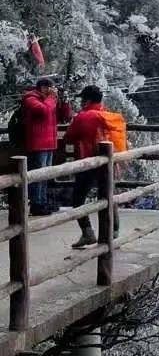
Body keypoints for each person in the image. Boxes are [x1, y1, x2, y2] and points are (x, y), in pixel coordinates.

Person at [64, 85, 121, 248]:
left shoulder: (84, 117)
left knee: (78, 198)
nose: (81, 102)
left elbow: (69, 137)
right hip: (110, 162)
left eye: (83, 99)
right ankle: (113, 231)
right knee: (108, 195)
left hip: (89, 161)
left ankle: (87, 232)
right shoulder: (108, 115)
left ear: (87, 100)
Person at [20, 78, 58, 215]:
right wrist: (51, 99)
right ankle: (36, 203)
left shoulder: (49, 100)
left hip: (49, 143)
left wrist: (64, 102)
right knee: (38, 174)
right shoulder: (30, 99)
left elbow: (64, 115)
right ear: (42, 87)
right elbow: (43, 111)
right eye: (49, 87)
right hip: (37, 144)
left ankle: (43, 201)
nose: (51, 90)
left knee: (46, 175)